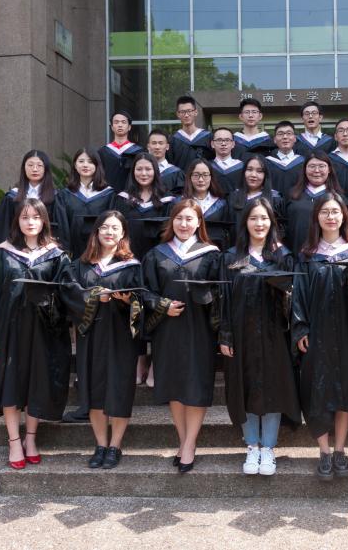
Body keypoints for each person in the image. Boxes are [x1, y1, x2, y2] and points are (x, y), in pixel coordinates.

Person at [0, 198, 71, 470]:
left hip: (43, 329)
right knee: (10, 383)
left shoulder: (57, 255)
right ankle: (14, 442)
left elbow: (66, 292)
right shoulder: (2, 253)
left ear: (44, 221)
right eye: (25, 217)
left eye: (35, 217)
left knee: (37, 382)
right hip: (9, 328)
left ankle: (31, 439)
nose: (30, 222)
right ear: (17, 221)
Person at [292, 193, 348, 480]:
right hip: (316, 334)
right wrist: (301, 328)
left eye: (335, 212)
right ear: (316, 217)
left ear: (344, 217)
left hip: (347, 333)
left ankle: (340, 449)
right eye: (325, 212)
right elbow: (298, 296)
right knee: (317, 391)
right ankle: (324, 451)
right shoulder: (306, 256)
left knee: (345, 391)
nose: (330, 217)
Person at [140, 199, 224, 473]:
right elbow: (145, 292)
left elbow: (221, 294)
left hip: (199, 329)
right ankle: (183, 440)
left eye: (189, 219)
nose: (184, 224)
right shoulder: (157, 254)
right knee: (174, 385)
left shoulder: (212, 254)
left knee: (196, 385)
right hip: (168, 329)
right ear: (172, 221)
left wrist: (208, 297)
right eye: (179, 218)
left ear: (199, 223)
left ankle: (189, 444)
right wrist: (162, 305)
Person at [219, 198, 301, 476]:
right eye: (253, 218)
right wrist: (226, 335)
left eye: (264, 218)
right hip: (241, 335)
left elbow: (294, 299)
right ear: (245, 223)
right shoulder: (231, 258)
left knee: (273, 388)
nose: (259, 223)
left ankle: (268, 448)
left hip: (275, 335)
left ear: (272, 223)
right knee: (246, 387)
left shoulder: (283, 256)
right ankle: (251, 445)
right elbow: (224, 299)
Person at [59, 211, 142, 470]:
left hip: (121, 337)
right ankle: (100, 445)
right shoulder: (80, 265)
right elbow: (69, 294)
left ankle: (115, 446)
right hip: (91, 335)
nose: (109, 232)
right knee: (94, 391)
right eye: (105, 227)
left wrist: (127, 300)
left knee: (119, 389)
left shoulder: (132, 266)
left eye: (115, 228)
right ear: (96, 231)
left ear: (123, 234)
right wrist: (94, 296)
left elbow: (142, 298)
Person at [115, 152, 178, 389]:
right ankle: (139, 360)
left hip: (159, 263)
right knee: (133, 310)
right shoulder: (122, 199)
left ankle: (154, 365)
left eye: (148, 169)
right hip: (130, 261)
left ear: (156, 172)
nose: (143, 173)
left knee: (156, 311)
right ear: (133, 172)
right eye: (139, 169)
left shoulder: (168, 201)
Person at [0, 150, 70, 253]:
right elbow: (4, 229)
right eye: (30, 165)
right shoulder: (12, 197)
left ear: (46, 169)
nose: (35, 169)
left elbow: (61, 229)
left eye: (39, 165)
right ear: (24, 168)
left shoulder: (55, 197)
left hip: (46, 250)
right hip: (17, 251)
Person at [283, 152, 344, 256]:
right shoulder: (292, 195)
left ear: (329, 169)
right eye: (312, 166)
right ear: (304, 169)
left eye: (321, 166)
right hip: (295, 255)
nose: (316, 170)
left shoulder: (338, 198)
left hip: (327, 258)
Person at [58, 148, 115, 255]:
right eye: (81, 161)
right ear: (75, 165)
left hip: (101, 249)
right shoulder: (65, 194)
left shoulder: (108, 194)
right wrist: (66, 250)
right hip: (74, 251)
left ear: (97, 165)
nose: (85, 165)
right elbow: (62, 225)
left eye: (90, 162)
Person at [183, 159, 232, 251]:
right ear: (190, 177)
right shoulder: (180, 203)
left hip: (215, 252)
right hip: (185, 252)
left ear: (211, 177)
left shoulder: (222, 204)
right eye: (196, 175)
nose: (201, 180)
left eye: (205, 175)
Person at [226, 154, 285, 231]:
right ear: (244, 172)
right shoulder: (233, 197)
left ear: (265, 175)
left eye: (259, 171)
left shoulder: (275, 199)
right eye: (249, 169)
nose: (253, 175)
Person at [98, 110, 144, 191]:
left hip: (132, 194)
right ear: (112, 127)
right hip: (108, 194)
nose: (120, 125)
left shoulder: (138, 151)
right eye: (116, 122)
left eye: (123, 122)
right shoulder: (103, 152)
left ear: (129, 127)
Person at [168, 96, 212, 172]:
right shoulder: (172, 140)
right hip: (180, 179)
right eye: (182, 112)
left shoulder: (208, 137)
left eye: (189, 111)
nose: (186, 115)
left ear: (195, 112)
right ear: (178, 114)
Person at [266, 120, 305, 198]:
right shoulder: (266, 162)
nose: (285, 137)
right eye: (280, 134)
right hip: (272, 203)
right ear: (274, 140)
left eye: (289, 133)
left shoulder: (304, 162)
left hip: (297, 202)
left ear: (295, 138)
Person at [147, 128, 185, 195]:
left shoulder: (176, 173)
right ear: (148, 147)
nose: (157, 147)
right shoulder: (141, 173)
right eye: (154, 143)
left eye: (161, 143)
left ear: (167, 146)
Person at [208, 127, 244, 196]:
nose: (223, 143)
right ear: (212, 144)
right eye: (219, 140)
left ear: (233, 144)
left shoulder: (242, 167)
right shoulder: (207, 167)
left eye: (227, 140)